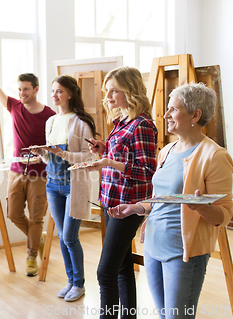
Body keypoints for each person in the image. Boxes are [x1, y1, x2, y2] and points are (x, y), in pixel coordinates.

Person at [107, 83, 233, 319]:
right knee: (164, 315)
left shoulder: (215, 156)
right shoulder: (166, 150)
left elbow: (225, 215)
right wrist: (135, 207)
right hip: (154, 246)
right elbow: (161, 199)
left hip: (183, 251)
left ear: (195, 115)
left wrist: (200, 207)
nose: (165, 115)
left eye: (173, 109)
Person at [0, 53, 56, 276]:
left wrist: (43, 155)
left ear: (36, 89)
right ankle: (38, 238)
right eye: (19, 90)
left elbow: (55, 146)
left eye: (26, 89)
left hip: (40, 173)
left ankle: (31, 257)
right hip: (16, 171)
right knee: (13, 214)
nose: (22, 94)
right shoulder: (14, 106)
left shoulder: (50, 115)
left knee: (37, 217)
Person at [86, 66, 158, 318]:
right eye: (108, 91)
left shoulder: (142, 124)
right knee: (122, 268)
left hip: (129, 205)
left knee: (105, 272)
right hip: (111, 201)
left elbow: (147, 171)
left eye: (114, 91)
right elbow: (123, 156)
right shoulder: (121, 121)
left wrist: (109, 162)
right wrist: (104, 150)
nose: (108, 97)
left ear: (131, 90)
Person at [34, 74, 96, 301]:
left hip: (73, 185)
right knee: (62, 236)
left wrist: (64, 153)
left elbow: (90, 156)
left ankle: (79, 284)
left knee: (70, 236)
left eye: (59, 91)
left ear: (70, 93)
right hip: (53, 185)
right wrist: (42, 153)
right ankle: (71, 281)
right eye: (53, 91)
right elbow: (49, 160)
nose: (54, 95)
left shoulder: (81, 122)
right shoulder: (50, 122)